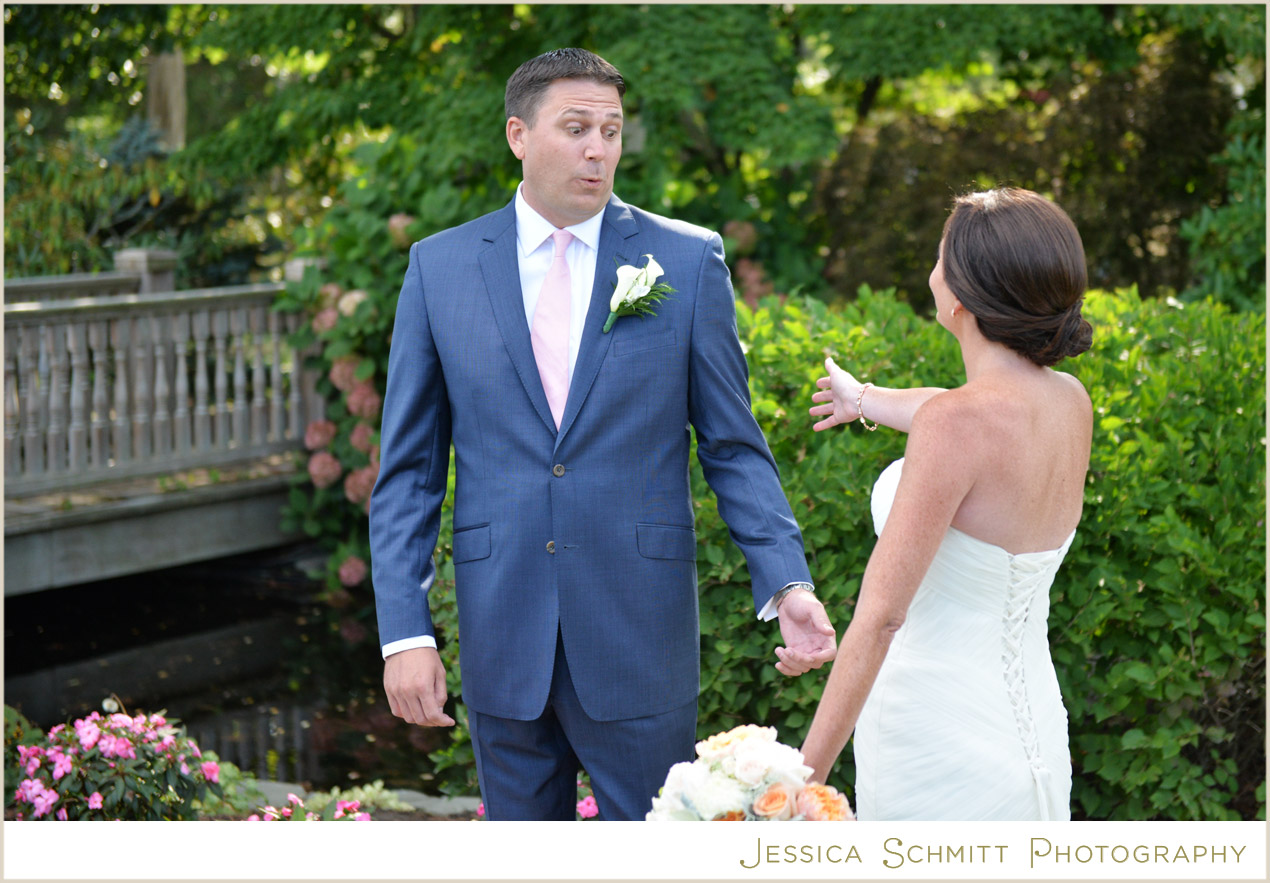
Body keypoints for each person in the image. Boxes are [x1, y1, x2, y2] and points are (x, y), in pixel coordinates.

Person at [368, 47, 836, 821]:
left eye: (612, 130)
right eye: (576, 127)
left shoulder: (685, 260)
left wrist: (786, 581)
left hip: (638, 634)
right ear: (518, 134)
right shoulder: (439, 267)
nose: (598, 148)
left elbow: (731, 443)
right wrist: (403, 633)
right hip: (501, 630)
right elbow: (410, 472)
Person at [799, 187, 1093, 820]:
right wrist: (865, 399)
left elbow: (879, 618)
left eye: (939, 257)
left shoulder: (957, 425)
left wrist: (801, 783)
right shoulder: (1069, 402)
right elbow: (961, 412)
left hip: (932, 738)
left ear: (959, 294)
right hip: (1035, 729)